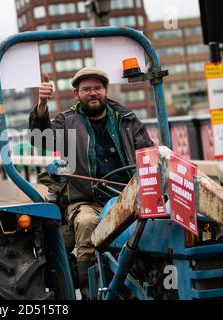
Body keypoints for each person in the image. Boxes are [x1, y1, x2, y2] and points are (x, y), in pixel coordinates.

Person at [29, 66, 154, 299]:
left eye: (97, 88)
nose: (93, 93)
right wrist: (42, 105)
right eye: (86, 89)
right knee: (87, 224)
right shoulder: (67, 122)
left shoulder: (127, 119)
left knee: (155, 225)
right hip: (86, 200)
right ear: (76, 94)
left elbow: (148, 152)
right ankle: (91, 293)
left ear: (106, 90)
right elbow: (39, 138)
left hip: (127, 196)